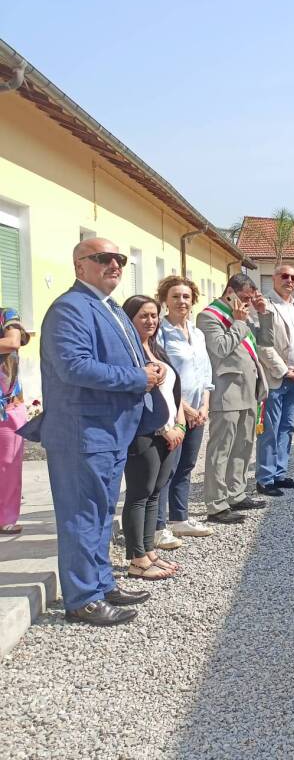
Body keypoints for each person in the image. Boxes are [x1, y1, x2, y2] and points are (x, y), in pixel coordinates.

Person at [39, 238, 159, 626]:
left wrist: (149, 370)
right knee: (81, 515)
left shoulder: (107, 307)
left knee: (102, 513)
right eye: (103, 258)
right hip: (82, 432)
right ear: (79, 266)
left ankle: (102, 582)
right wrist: (137, 377)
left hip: (110, 431)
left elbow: (131, 356)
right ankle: (82, 599)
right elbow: (74, 367)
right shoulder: (69, 309)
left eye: (119, 259)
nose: (114, 265)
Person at [198, 274, 274, 524]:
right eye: (244, 298)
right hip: (226, 389)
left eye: (251, 299)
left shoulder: (242, 314)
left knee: (243, 444)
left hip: (248, 389)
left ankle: (236, 492)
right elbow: (220, 348)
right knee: (222, 448)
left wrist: (263, 314)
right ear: (229, 291)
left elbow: (265, 342)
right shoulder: (209, 316)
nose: (247, 303)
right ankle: (217, 504)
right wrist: (240, 323)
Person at [122, 295, 185, 580]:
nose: (151, 321)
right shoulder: (128, 354)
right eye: (143, 316)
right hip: (145, 434)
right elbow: (141, 400)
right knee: (139, 494)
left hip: (171, 432)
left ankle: (149, 551)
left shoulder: (157, 349)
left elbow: (173, 393)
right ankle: (137, 559)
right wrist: (164, 429)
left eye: (153, 315)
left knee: (154, 494)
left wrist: (180, 426)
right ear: (129, 319)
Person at [153, 276, 213, 547]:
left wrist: (204, 406)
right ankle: (158, 526)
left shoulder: (197, 333)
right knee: (167, 468)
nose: (181, 301)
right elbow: (165, 378)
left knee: (186, 466)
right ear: (165, 300)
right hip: (173, 412)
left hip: (198, 411)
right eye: (175, 296)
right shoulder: (161, 334)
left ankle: (180, 519)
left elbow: (205, 373)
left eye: (186, 297)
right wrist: (186, 409)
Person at [256, 264, 294, 495]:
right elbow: (264, 345)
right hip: (276, 377)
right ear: (274, 279)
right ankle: (265, 478)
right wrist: (285, 370)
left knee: (287, 427)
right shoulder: (264, 306)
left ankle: (279, 473)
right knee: (269, 429)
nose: (289, 280)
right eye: (284, 276)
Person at [0, 307, 30, 534]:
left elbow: (13, 342)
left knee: (8, 466)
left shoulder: (7, 315)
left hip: (8, 406)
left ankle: (6, 518)